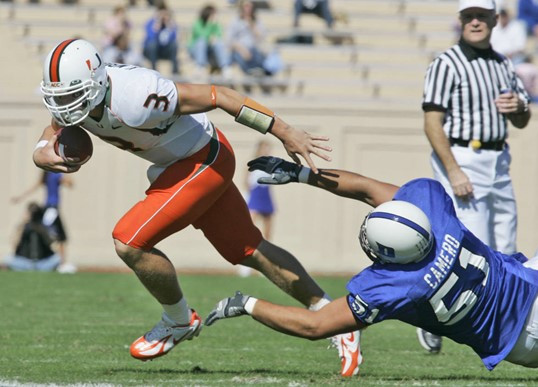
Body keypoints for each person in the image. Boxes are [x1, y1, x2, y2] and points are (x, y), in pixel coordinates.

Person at [34, 38, 362, 377]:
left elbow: (220, 95)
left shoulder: (139, 96)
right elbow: (56, 126)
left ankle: (177, 319)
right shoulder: (79, 98)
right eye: (60, 97)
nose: (66, 106)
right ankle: (336, 317)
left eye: (72, 96)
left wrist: (283, 130)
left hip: (203, 159)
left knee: (129, 239)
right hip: (178, 166)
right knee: (249, 249)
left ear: (98, 82)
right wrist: (43, 149)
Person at [206, 155, 538, 371]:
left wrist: (247, 305)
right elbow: (369, 189)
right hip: (535, 287)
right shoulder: (434, 211)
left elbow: (315, 326)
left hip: (524, 344)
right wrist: (300, 173)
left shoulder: (395, 284)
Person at [422, 0, 531, 351]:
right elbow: (432, 121)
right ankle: (431, 317)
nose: (475, 22)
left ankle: (502, 330)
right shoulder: (447, 62)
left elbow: (522, 118)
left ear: (495, 20)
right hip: (463, 155)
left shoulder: (503, 64)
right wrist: (453, 170)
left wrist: (520, 108)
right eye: (468, 16)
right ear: (460, 20)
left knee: (506, 247)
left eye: (481, 16)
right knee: (474, 251)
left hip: (498, 158)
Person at [11, 171, 74, 273]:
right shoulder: (56, 174)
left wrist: (19, 197)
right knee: (60, 237)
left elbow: (34, 187)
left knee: (57, 236)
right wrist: (69, 169)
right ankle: (62, 264)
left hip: (48, 208)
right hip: (52, 209)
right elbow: (70, 184)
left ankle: (60, 262)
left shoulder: (47, 174)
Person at [238, 140, 276, 277]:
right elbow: (246, 183)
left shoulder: (272, 165)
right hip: (255, 196)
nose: (267, 151)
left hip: (266, 196)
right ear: (259, 149)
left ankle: (266, 267)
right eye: (265, 148)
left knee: (268, 234)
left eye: (268, 148)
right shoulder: (252, 164)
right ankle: (246, 266)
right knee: (249, 231)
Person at [227, 0, 279, 76]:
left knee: (259, 52)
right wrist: (241, 49)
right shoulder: (236, 21)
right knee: (236, 55)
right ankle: (249, 71)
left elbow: (261, 37)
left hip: (254, 49)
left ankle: (261, 70)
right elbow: (229, 40)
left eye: (250, 6)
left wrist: (252, 25)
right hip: (240, 49)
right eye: (246, 6)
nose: (248, 8)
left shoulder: (256, 21)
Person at [4, 202, 60, 271]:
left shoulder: (42, 227)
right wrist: (22, 225)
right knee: (7, 259)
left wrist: (43, 229)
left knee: (57, 259)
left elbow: (53, 244)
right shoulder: (23, 227)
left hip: (41, 263)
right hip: (25, 262)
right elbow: (14, 244)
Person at [187, 4, 231, 80]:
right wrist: (209, 24)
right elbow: (202, 35)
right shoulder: (198, 23)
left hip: (209, 49)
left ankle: (225, 67)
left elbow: (219, 35)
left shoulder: (216, 24)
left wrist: (214, 39)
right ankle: (200, 66)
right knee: (202, 41)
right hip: (196, 49)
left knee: (218, 42)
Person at [143, 3, 180, 75]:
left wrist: (168, 25)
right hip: (152, 50)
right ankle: (154, 69)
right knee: (153, 44)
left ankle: (175, 70)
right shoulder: (151, 22)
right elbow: (150, 38)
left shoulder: (170, 24)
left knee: (174, 45)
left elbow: (174, 38)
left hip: (165, 50)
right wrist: (158, 24)